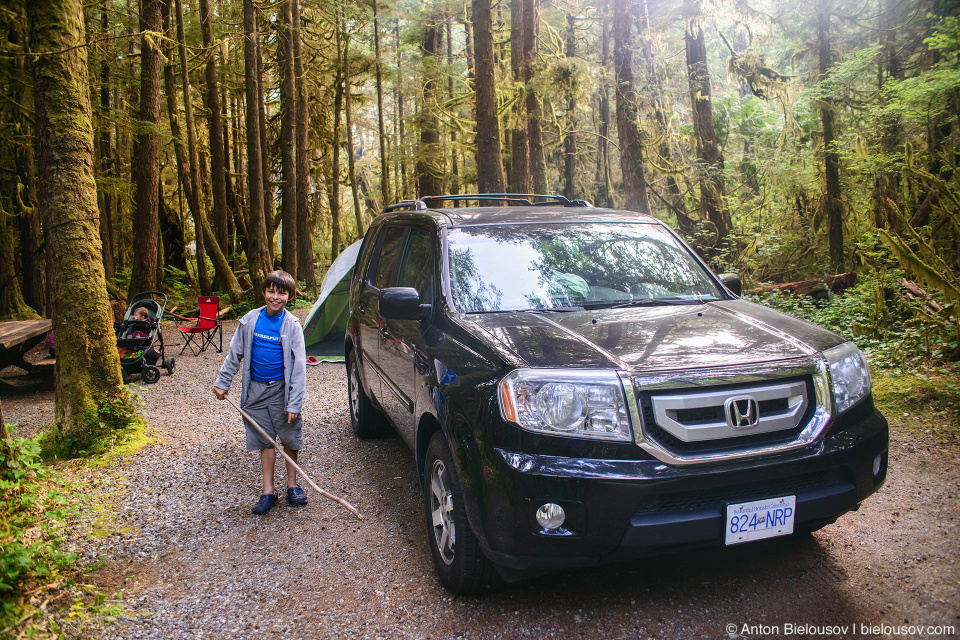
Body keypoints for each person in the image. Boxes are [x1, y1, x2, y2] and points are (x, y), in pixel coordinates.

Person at [213, 271, 308, 515]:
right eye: (271, 291)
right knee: (264, 440)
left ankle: (292, 485)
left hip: (281, 391)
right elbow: (235, 354)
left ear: (290, 296)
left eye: (282, 293)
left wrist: (294, 403)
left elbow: (298, 368)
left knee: (289, 437)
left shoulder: (292, 326)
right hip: (255, 391)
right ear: (264, 292)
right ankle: (268, 490)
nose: (275, 297)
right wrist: (223, 381)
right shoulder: (250, 321)